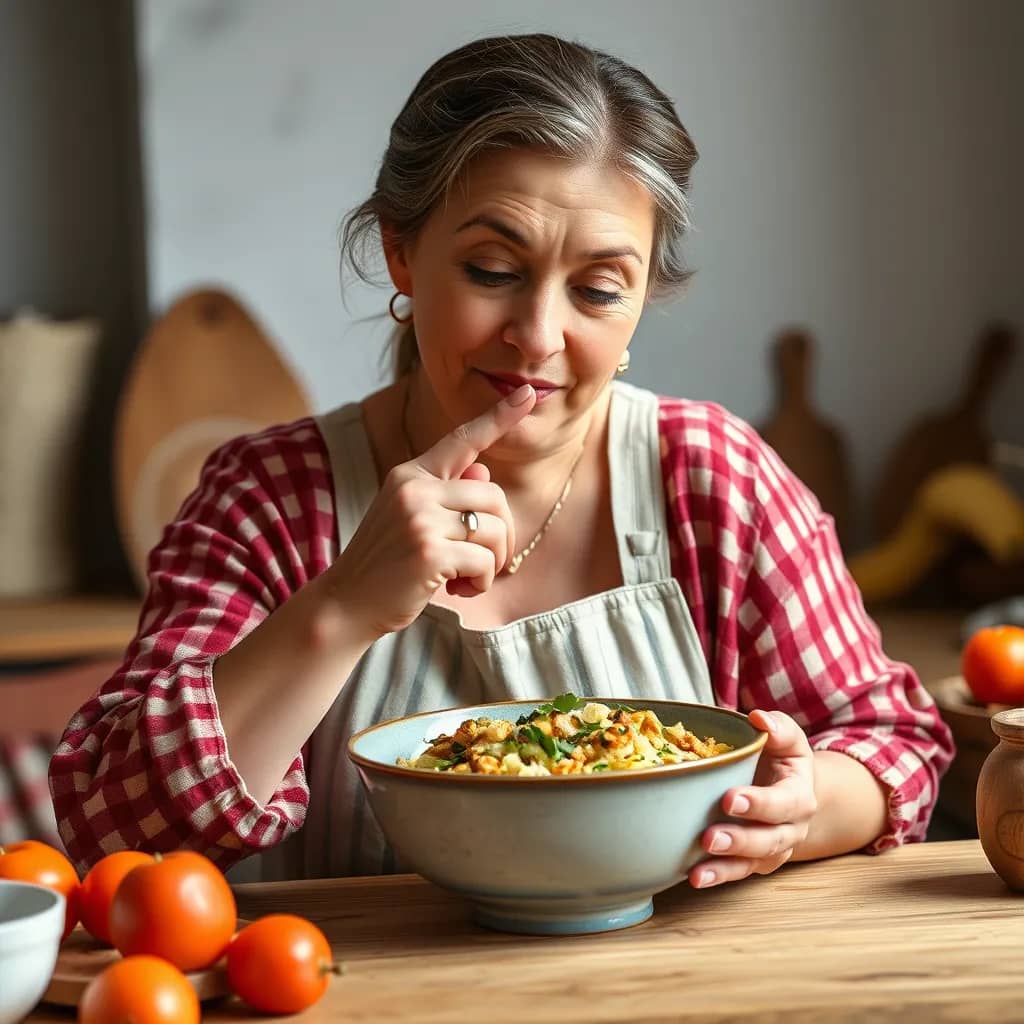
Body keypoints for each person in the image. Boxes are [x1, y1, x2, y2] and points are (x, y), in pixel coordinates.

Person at [50, 33, 953, 888]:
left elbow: (892, 741)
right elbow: (111, 831)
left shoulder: (716, 478)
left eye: (598, 290)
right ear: (402, 255)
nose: (538, 337)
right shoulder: (268, 498)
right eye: (492, 270)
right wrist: (341, 608)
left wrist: (801, 812)